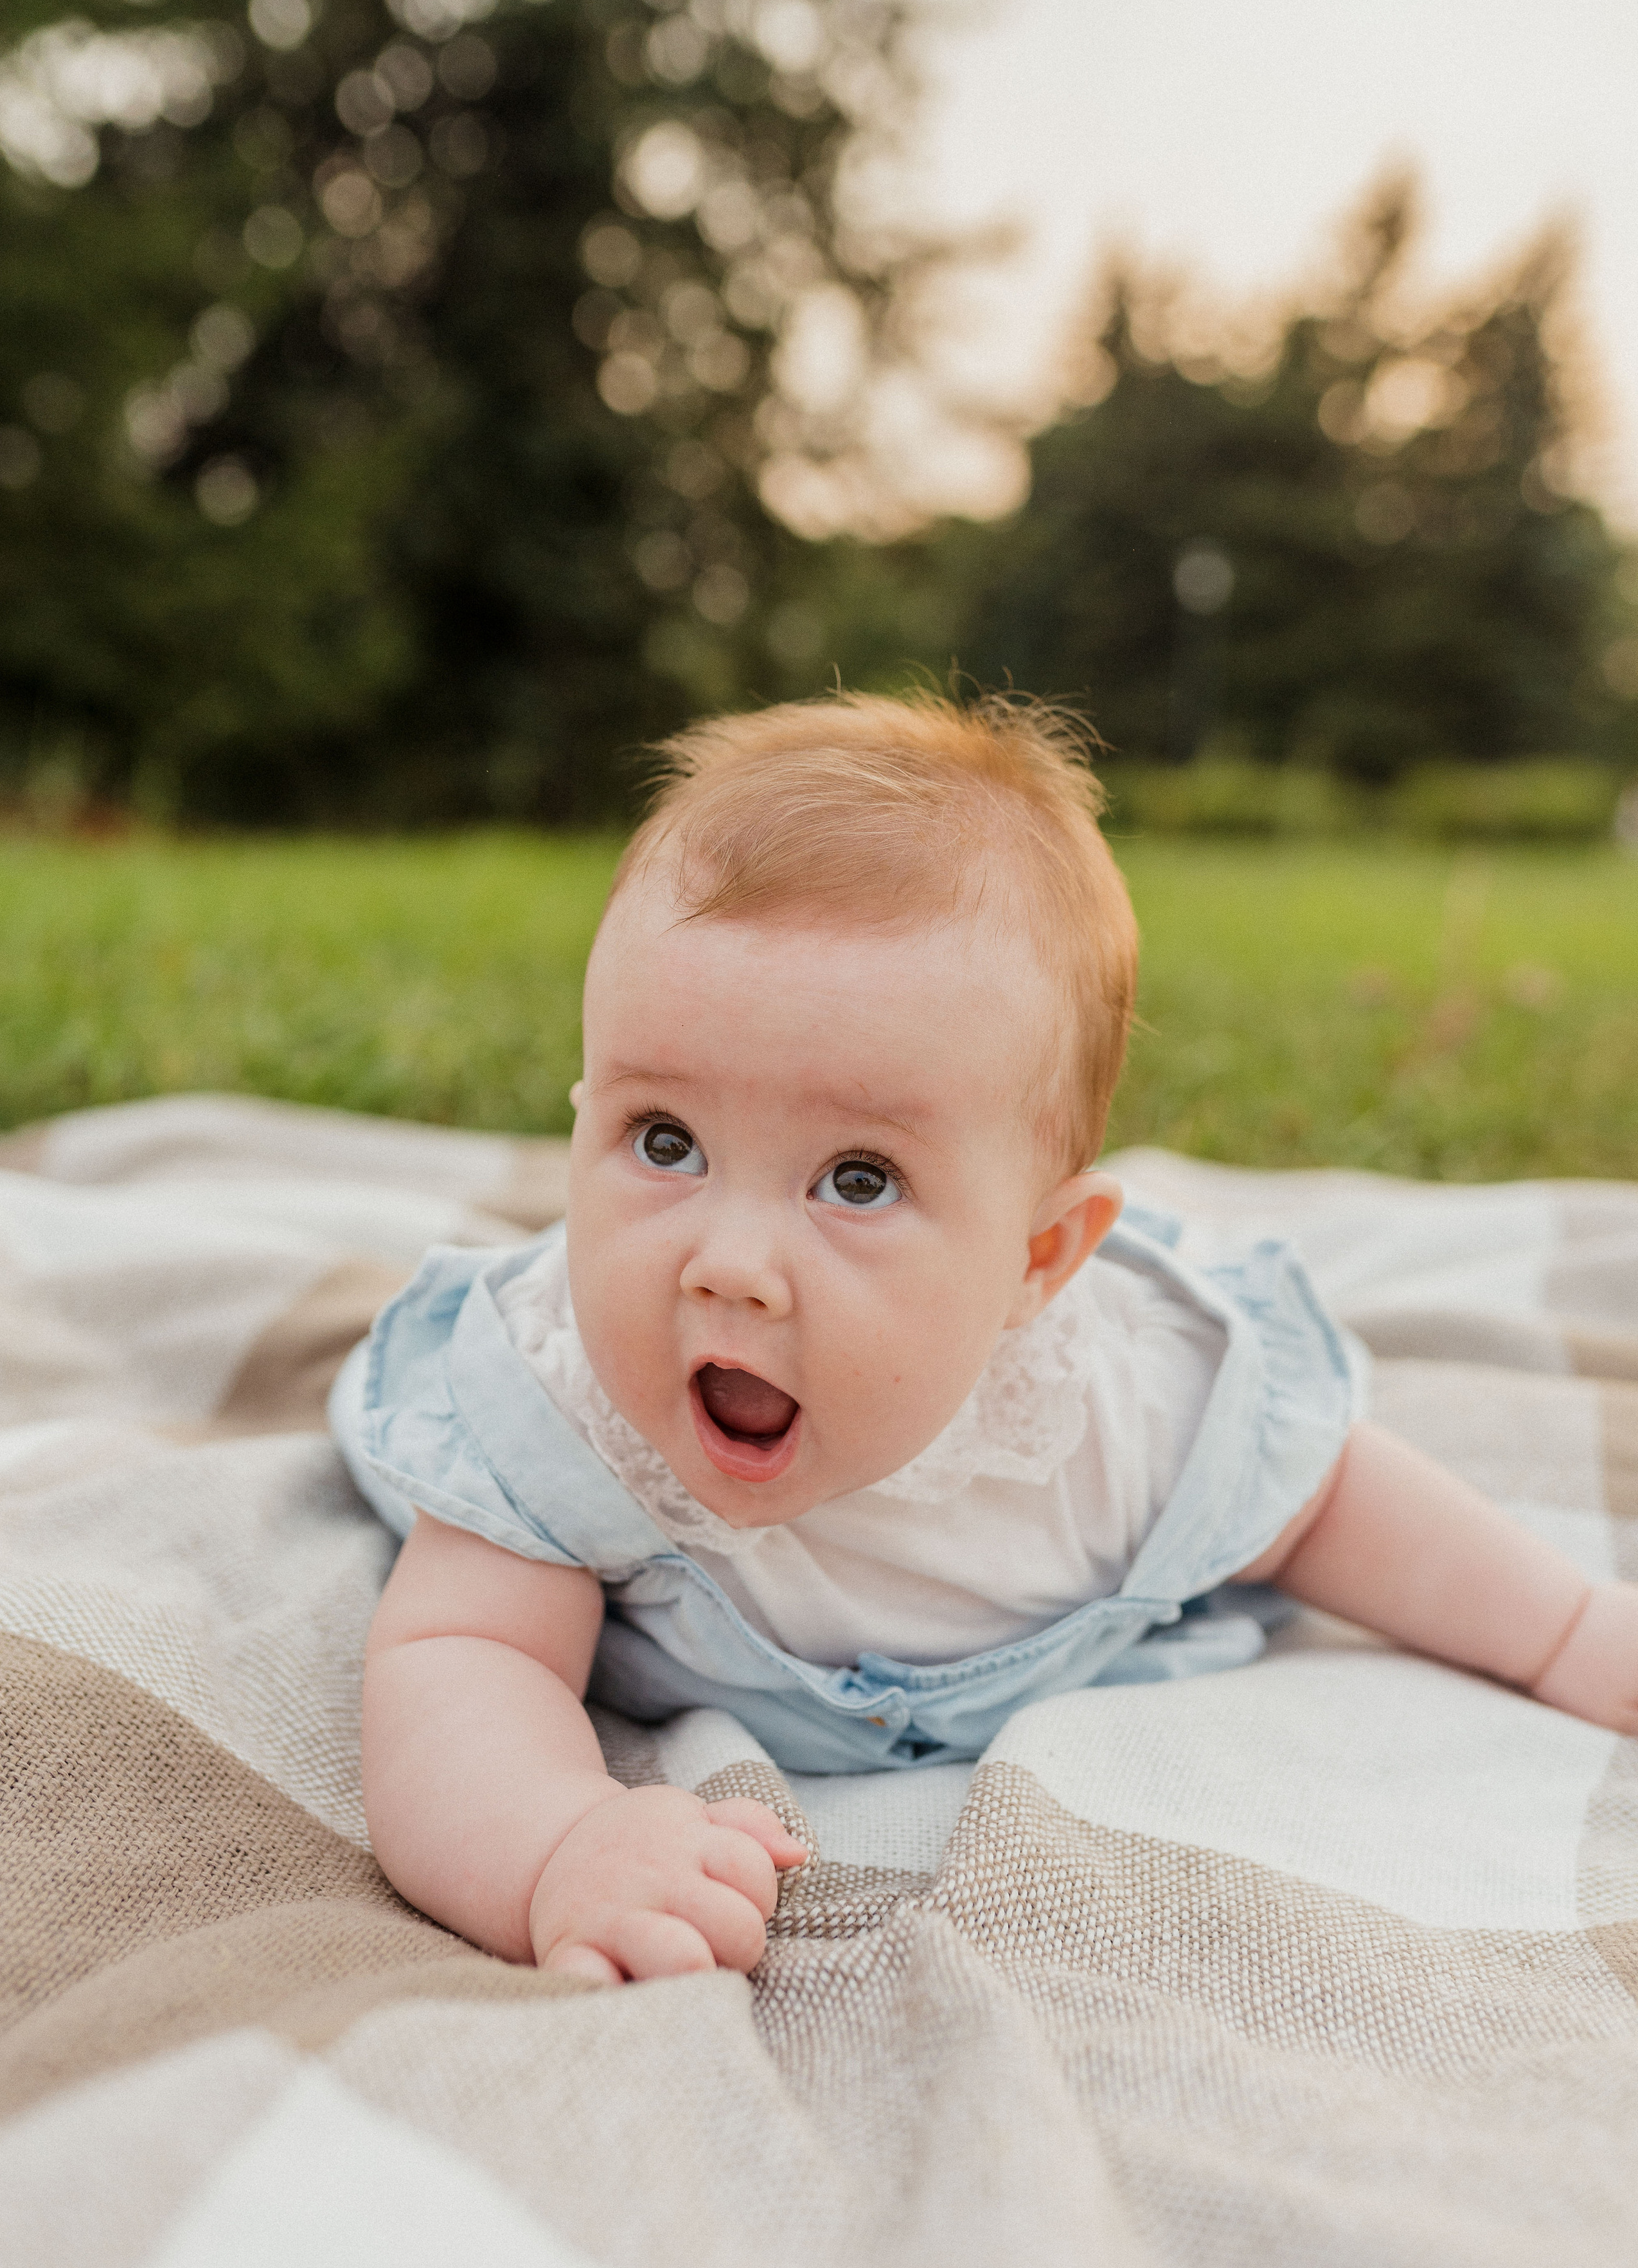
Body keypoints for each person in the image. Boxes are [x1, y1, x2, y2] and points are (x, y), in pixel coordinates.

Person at [334, 692, 1638, 1989]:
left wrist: (1568, 1633)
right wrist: (558, 1843)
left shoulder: (1114, 1410)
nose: (728, 1266)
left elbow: (1329, 1499)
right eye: (664, 1142)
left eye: (855, 1180)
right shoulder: (560, 1409)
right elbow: (462, 1659)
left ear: (1036, 1261)